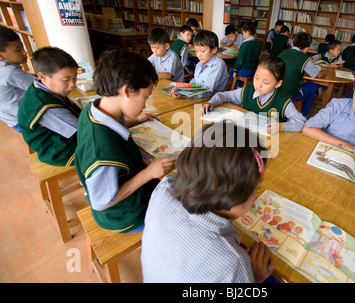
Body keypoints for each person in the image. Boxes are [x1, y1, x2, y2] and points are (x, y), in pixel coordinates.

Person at [141, 121, 274, 282]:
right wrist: (254, 277)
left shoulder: (164, 188)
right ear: (230, 197)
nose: (254, 202)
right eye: (255, 190)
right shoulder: (233, 264)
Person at [75, 50, 176, 233]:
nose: (145, 104)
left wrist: (135, 120)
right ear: (127, 90)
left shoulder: (94, 108)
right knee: (181, 200)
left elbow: (113, 122)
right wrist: (149, 173)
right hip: (123, 214)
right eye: (145, 97)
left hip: (126, 189)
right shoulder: (102, 150)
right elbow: (102, 202)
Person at [203, 54, 306, 134]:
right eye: (256, 78)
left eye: (266, 82)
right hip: (246, 136)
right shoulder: (249, 90)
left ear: (278, 84)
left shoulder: (283, 101)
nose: (258, 85)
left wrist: (281, 126)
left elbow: (301, 122)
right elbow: (225, 95)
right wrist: (212, 102)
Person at [18, 47, 80, 166]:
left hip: (57, 138)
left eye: (74, 78)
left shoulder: (41, 86)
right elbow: (83, 130)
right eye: (66, 80)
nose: (72, 84)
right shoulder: (46, 107)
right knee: (105, 145)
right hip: (58, 151)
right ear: (43, 77)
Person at [170, 30, 228, 99]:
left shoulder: (218, 64)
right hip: (198, 98)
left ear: (214, 50)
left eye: (202, 51)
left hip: (211, 101)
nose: (198, 55)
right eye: (196, 51)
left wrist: (187, 95)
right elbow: (196, 81)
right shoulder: (200, 64)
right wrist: (185, 88)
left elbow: (208, 90)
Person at [278, 32, 324, 116]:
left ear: (292, 43)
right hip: (290, 94)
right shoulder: (305, 58)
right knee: (313, 86)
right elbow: (318, 75)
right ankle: (303, 114)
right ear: (306, 48)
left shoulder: (283, 53)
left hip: (276, 90)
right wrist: (323, 69)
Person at [0, 26, 35, 131]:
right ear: (1, 56)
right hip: (22, 119)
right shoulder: (10, 72)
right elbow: (41, 86)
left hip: (8, 116)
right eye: (18, 50)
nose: (25, 52)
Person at [231, 21, 262, 88]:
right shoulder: (258, 45)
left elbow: (240, 60)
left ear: (247, 33)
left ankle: (238, 88)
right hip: (254, 70)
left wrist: (235, 70)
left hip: (245, 71)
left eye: (243, 33)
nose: (243, 35)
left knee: (231, 72)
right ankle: (243, 86)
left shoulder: (244, 45)